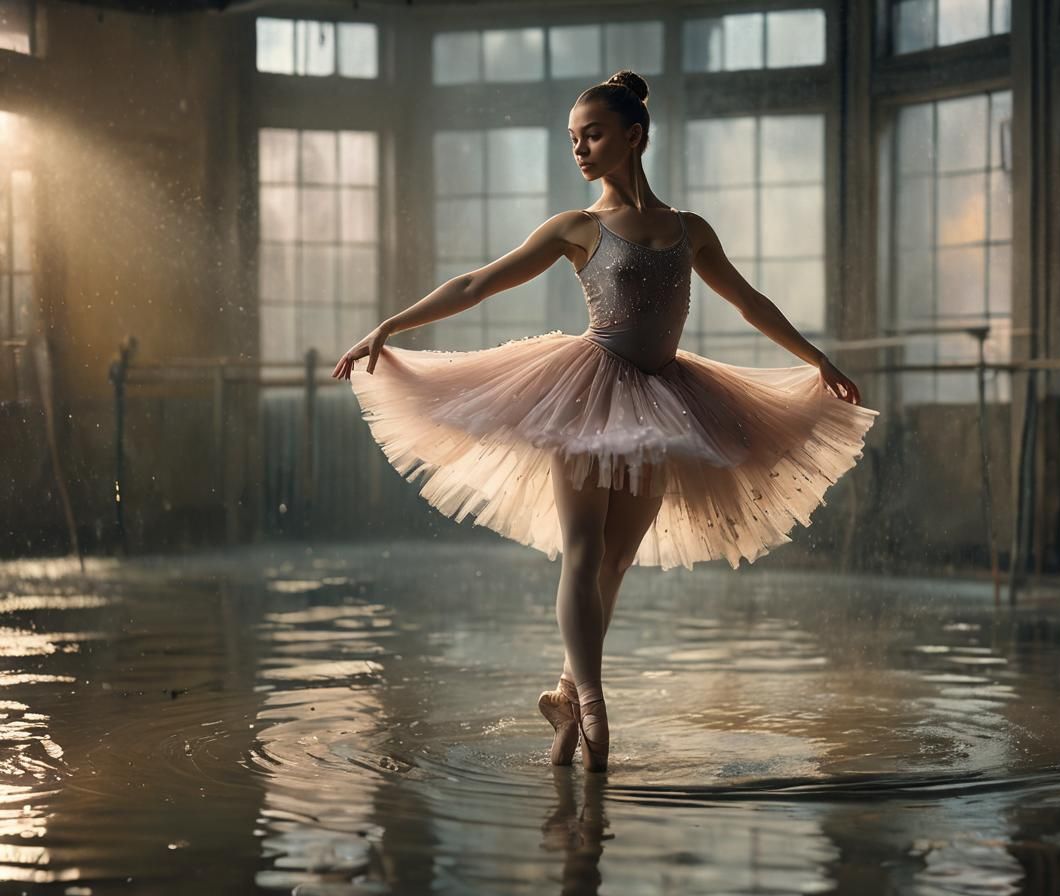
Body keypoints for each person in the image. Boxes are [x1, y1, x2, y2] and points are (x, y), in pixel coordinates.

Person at [331, 70, 879, 774]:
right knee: (584, 552)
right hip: (587, 397)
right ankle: (591, 697)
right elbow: (476, 283)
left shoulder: (689, 231)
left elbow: (750, 302)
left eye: (592, 135)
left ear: (634, 135)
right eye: (573, 139)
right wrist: (389, 325)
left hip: (664, 403)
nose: (579, 149)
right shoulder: (577, 229)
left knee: (617, 561)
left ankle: (565, 695)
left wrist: (816, 358)